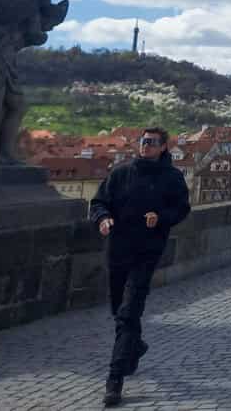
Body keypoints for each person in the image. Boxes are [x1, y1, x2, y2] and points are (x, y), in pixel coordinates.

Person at [90, 128, 190, 407]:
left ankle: (114, 380)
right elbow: (99, 202)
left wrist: (160, 218)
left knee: (128, 312)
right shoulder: (121, 173)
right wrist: (103, 218)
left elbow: (182, 209)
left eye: (152, 142)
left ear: (163, 147)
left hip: (146, 253)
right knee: (118, 311)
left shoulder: (172, 178)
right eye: (143, 141)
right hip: (118, 251)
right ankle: (135, 346)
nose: (146, 145)